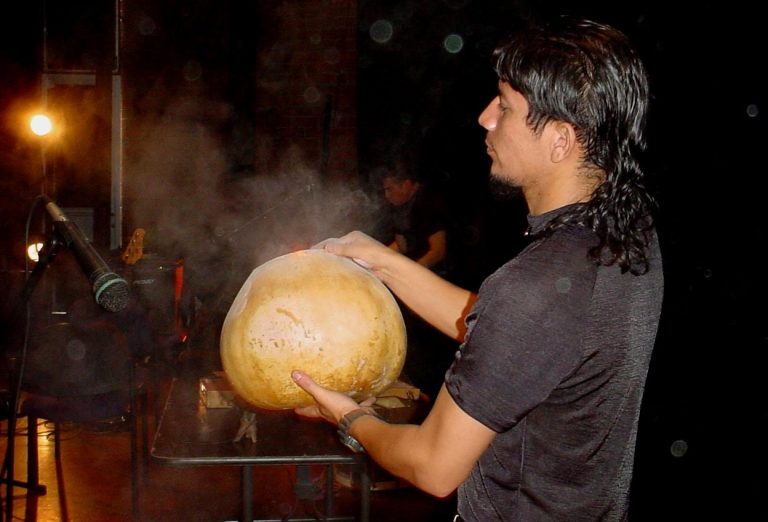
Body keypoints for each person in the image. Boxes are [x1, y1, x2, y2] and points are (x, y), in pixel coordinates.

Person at [292, 17, 663, 521]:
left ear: (560, 139)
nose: (485, 117)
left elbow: (432, 466)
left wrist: (347, 415)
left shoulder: (537, 286)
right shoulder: (628, 236)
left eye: (505, 106)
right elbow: (512, 335)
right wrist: (382, 261)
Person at [379, 169, 449, 273]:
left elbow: (438, 251)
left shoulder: (429, 202)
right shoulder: (403, 205)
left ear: (406, 185)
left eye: (389, 189)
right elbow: (402, 245)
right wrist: (378, 257)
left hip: (439, 273)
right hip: (418, 266)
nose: (387, 195)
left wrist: (412, 271)